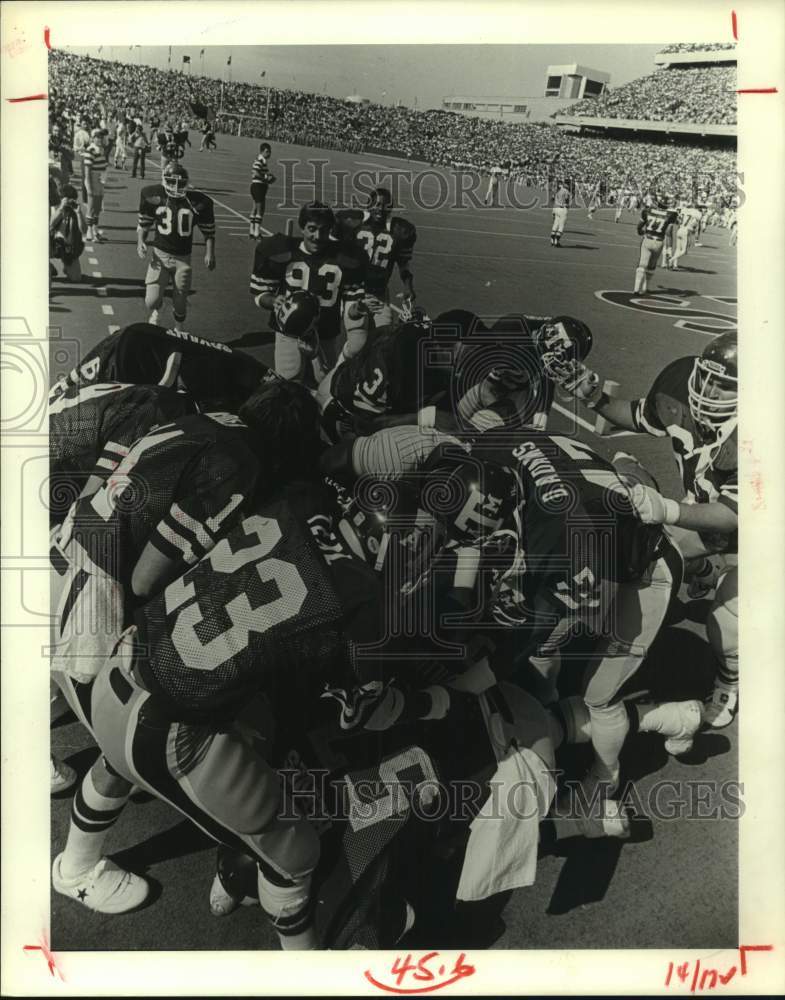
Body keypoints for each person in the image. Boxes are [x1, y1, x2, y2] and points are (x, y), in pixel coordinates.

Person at [51, 382, 322, 918]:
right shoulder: (239, 463)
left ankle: (78, 858)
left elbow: (99, 487)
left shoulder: (200, 417)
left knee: (118, 743)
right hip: (90, 611)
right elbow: (146, 578)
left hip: (64, 558)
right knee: (128, 737)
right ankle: (76, 869)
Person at [418, 435, 704, 802]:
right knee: (531, 624)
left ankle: (605, 778)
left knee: (599, 693)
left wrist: (454, 694)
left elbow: (526, 639)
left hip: (645, 567)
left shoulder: (568, 540)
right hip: (593, 522)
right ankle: (551, 705)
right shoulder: (493, 454)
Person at [556, 331, 739, 729]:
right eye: (707, 377)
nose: (708, 390)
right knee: (651, 552)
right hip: (708, 516)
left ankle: (729, 680)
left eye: (724, 385)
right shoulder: (681, 387)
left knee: (727, 621)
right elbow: (640, 414)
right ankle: (703, 570)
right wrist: (597, 399)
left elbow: (732, 516)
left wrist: (667, 508)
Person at [251, 201, 368, 379]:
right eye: (312, 229)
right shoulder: (283, 252)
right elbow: (260, 295)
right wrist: (274, 301)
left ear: (330, 230)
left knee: (325, 383)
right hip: (289, 331)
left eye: (323, 230)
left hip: (325, 331)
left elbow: (350, 304)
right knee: (288, 381)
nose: (317, 236)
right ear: (302, 228)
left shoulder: (344, 258)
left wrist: (356, 310)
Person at [137, 162, 216, 333]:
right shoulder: (155, 196)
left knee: (180, 303)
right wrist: (140, 241)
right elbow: (144, 224)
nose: (175, 187)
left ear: (186, 183)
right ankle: (158, 309)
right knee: (151, 301)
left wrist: (210, 252)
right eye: (172, 182)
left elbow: (208, 232)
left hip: (182, 259)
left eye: (180, 183)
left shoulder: (197, 202)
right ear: (164, 180)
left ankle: (179, 327)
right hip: (160, 256)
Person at [333, 187, 417, 327]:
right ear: (369, 205)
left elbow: (403, 264)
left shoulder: (399, 230)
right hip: (353, 291)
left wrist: (408, 286)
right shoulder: (352, 221)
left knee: (384, 332)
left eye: (386, 205)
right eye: (377, 204)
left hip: (378, 293)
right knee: (357, 335)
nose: (381, 209)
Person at [633, 194, 679, 292]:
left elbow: (639, 226)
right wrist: (669, 248)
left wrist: (640, 231)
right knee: (651, 266)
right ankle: (645, 288)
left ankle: (636, 289)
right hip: (659, 241)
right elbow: (668, 232)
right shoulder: (671, 214)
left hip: (648, 239)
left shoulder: (647, 211)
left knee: (642, 264)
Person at [49, 185, 86, 282]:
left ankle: (67, 265)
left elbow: (84, 231)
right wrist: (61, 208)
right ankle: (48, 266)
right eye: (67, 200)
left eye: (72, 200)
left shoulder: (75, 212)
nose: (69, 203)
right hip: (54, 245)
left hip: (68, 249)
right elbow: (51, 224)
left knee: (76, 279)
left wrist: (79, 213)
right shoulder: (55, 208)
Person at [83, 128, 109, 243]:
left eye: (101, 137)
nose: (99, 139)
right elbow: (87, 171)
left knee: (97, 207)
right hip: (93, 179)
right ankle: (89, 232)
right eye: (97, 137)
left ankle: (95, 231)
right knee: (91, 207)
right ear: (93, 138)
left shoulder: (101, 149)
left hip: (100, 180)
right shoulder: (91, 150)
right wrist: (89, 187)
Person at [249, 142, 275, 239]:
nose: (269, 153)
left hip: (258, 186)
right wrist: (266, 178)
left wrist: (269, 177)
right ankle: (256, 232)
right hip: (258, 186)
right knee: (260, 209)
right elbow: (255, 172)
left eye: (269, 151)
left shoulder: (263, 161)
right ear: (262, 151)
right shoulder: (260, 160)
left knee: (255, 208)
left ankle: (252, 231)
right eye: (267, 151)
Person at [550, 179, 570, 247]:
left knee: (555, 224)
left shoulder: (556, 190)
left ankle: (552, 240)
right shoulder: (566, 191)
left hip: (555, 208)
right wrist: (567, 204)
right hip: (562, 209)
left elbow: (552, 199)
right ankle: (557, 241)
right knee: (561, 226)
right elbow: (567, 200)